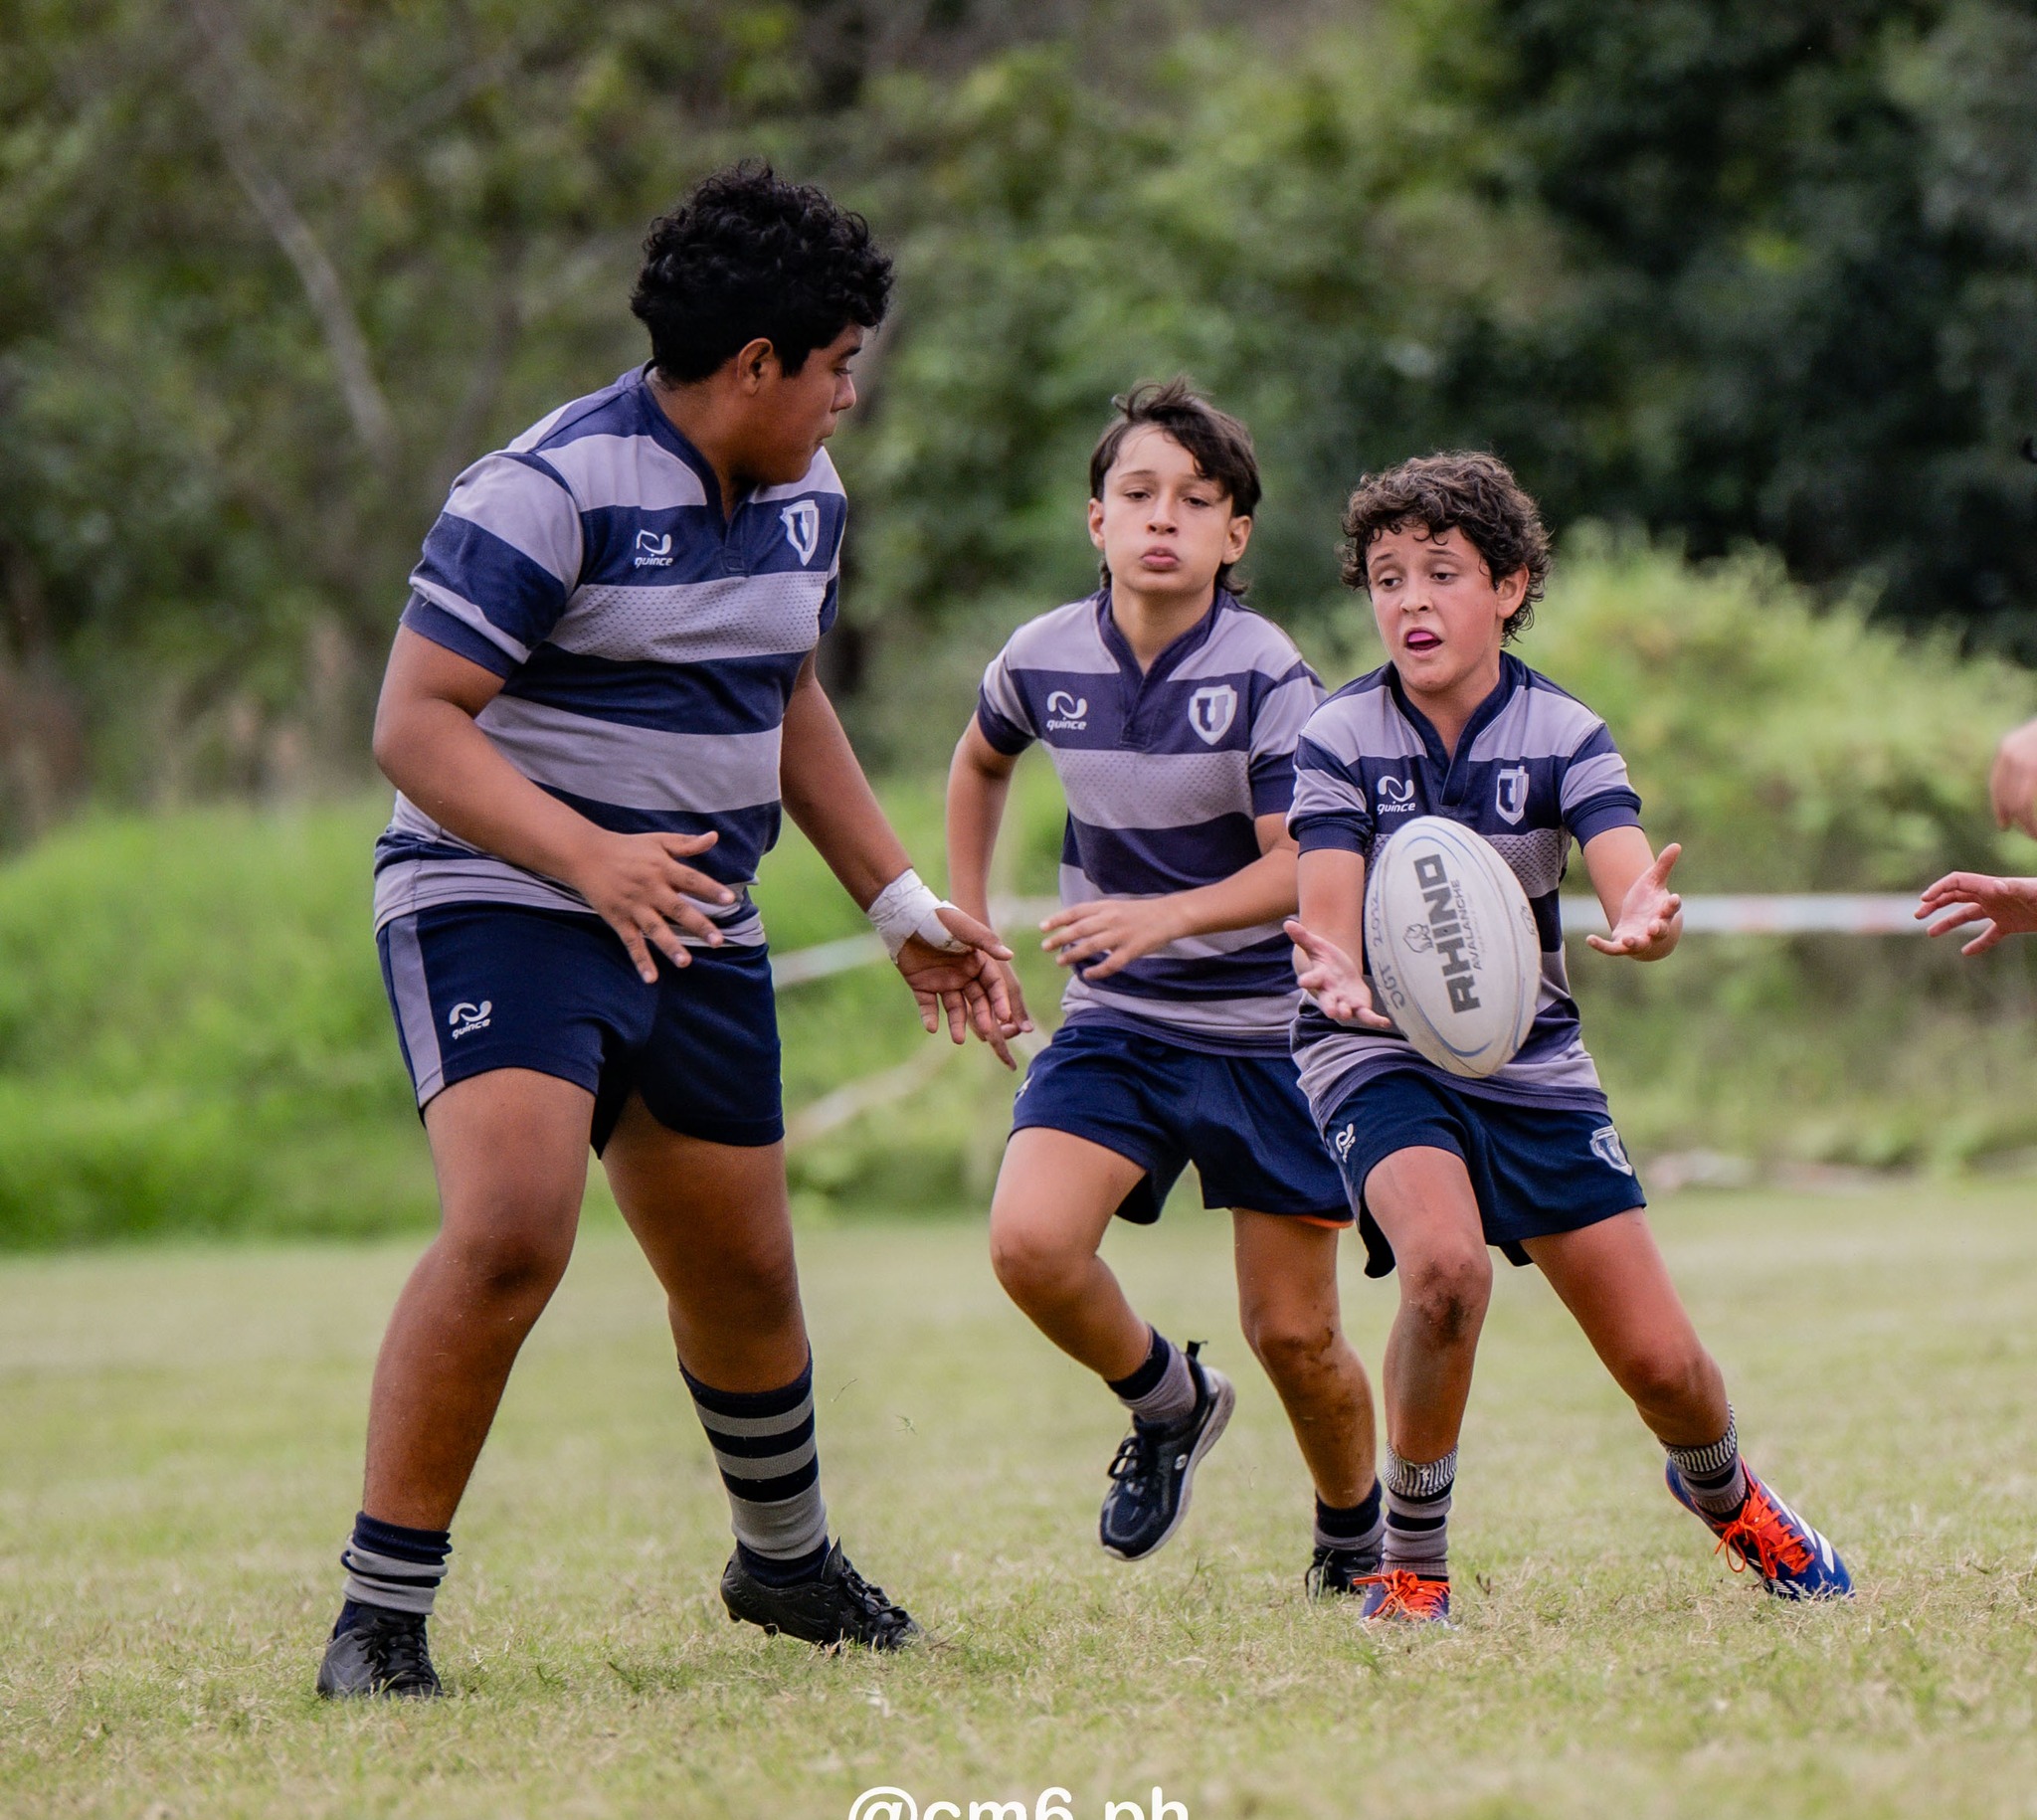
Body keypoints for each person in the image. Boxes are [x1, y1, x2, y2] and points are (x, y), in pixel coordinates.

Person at [317, 165, 1018, 1699]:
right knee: (511, 1233)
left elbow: (786, 694)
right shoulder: (546, 489)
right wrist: (592, 860)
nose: (848, 400)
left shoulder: (807, 498)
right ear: (755, 364)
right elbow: (415, 726)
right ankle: (379, 1620)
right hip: (501, 895)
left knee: (745, 1276)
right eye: (836, 369)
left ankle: (785, 1566)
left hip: (690, 913)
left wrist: (898, 903)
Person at [1281, 451, 1852, 1623]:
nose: (1409, 601)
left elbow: (1623, 868)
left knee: (1663, 1369)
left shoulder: (1561, 731)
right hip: (1373, 1047)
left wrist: (1642, 915)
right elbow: (1326, 919)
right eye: (1386, 578)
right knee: (1442, 1272)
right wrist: (1330, 972)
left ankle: (1725, 1491)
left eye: (1441, 572)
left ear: (1509, 585)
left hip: (1529, 1060)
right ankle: (1410, 1561)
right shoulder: (1337, 734)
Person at [945, 381, 1383, 1590]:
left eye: (1196, 501)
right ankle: (1169, 1401)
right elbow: (980, 760)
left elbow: (1305, 864)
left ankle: (1353, 1533)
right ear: (1095, 518)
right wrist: (966, 914)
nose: (1163, 518)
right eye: (1137, 493)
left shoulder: (1265, 673)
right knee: (1031, 1246)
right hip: (1119, 1026)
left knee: (1294, 1334)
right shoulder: (1039, 656)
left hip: (1264, 1035)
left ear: (1233, 535)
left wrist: (1166, 914)